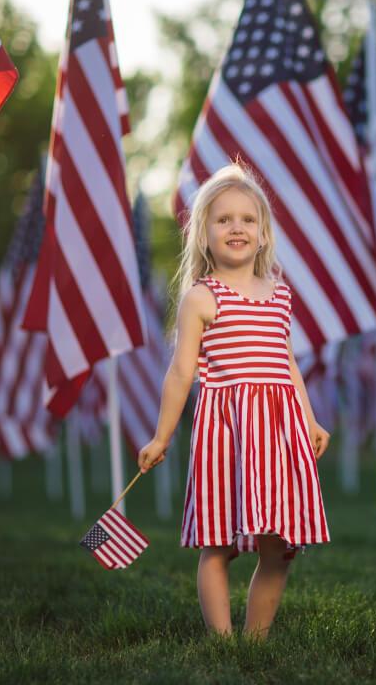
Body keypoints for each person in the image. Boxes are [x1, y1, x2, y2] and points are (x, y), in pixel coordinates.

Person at [138, 163, 330, 639]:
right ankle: (222, 642)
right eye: (223, 220)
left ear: (264, 235)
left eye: (248, 219)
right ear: (203, 235)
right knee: (219, 544)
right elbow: (182, 371)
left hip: (279, 433)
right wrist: (162, 434)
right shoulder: (202, 298)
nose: (237, 227)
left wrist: (309, 419)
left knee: (280, 546)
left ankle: (253, 641)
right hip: (228, 433)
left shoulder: (280, 295)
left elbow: (286, 365)